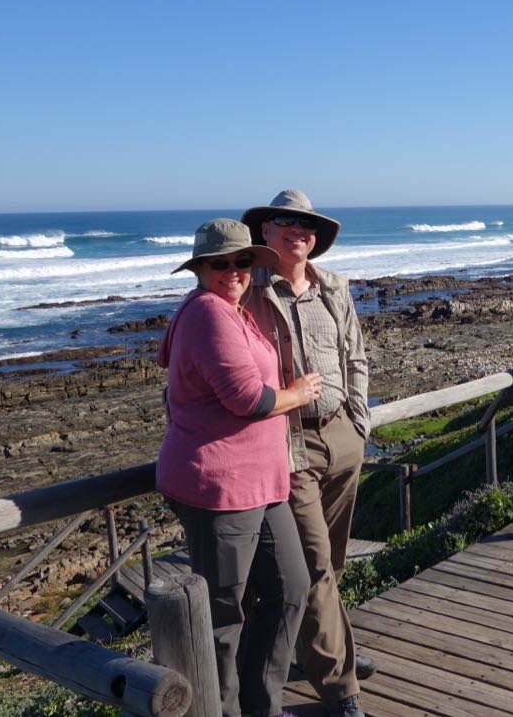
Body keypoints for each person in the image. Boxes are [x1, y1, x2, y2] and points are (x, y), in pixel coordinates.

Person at [157, 218, 324, 717]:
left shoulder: (231, 310)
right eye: (219, 263)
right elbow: (247, 398)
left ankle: (262, 704)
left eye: (240, 262)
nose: (233, 271)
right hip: (220, 488)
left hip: (262, 483)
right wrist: (298, 394)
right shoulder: (209, 313)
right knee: (222, 617)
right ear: (200, 270)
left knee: (291, 587)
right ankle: (224, 710)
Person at [241, 191, 371, 717]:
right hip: (289, 445)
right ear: (265, 233)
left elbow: (355, 353)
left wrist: (359, 421)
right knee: (314, 564)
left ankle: (321, 649)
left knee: (332, 563)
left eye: (306, 223)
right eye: (285, 221)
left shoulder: (333, 287)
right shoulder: (246, 290)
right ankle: (341, 689)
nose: (298, 229)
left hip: (341, 437)